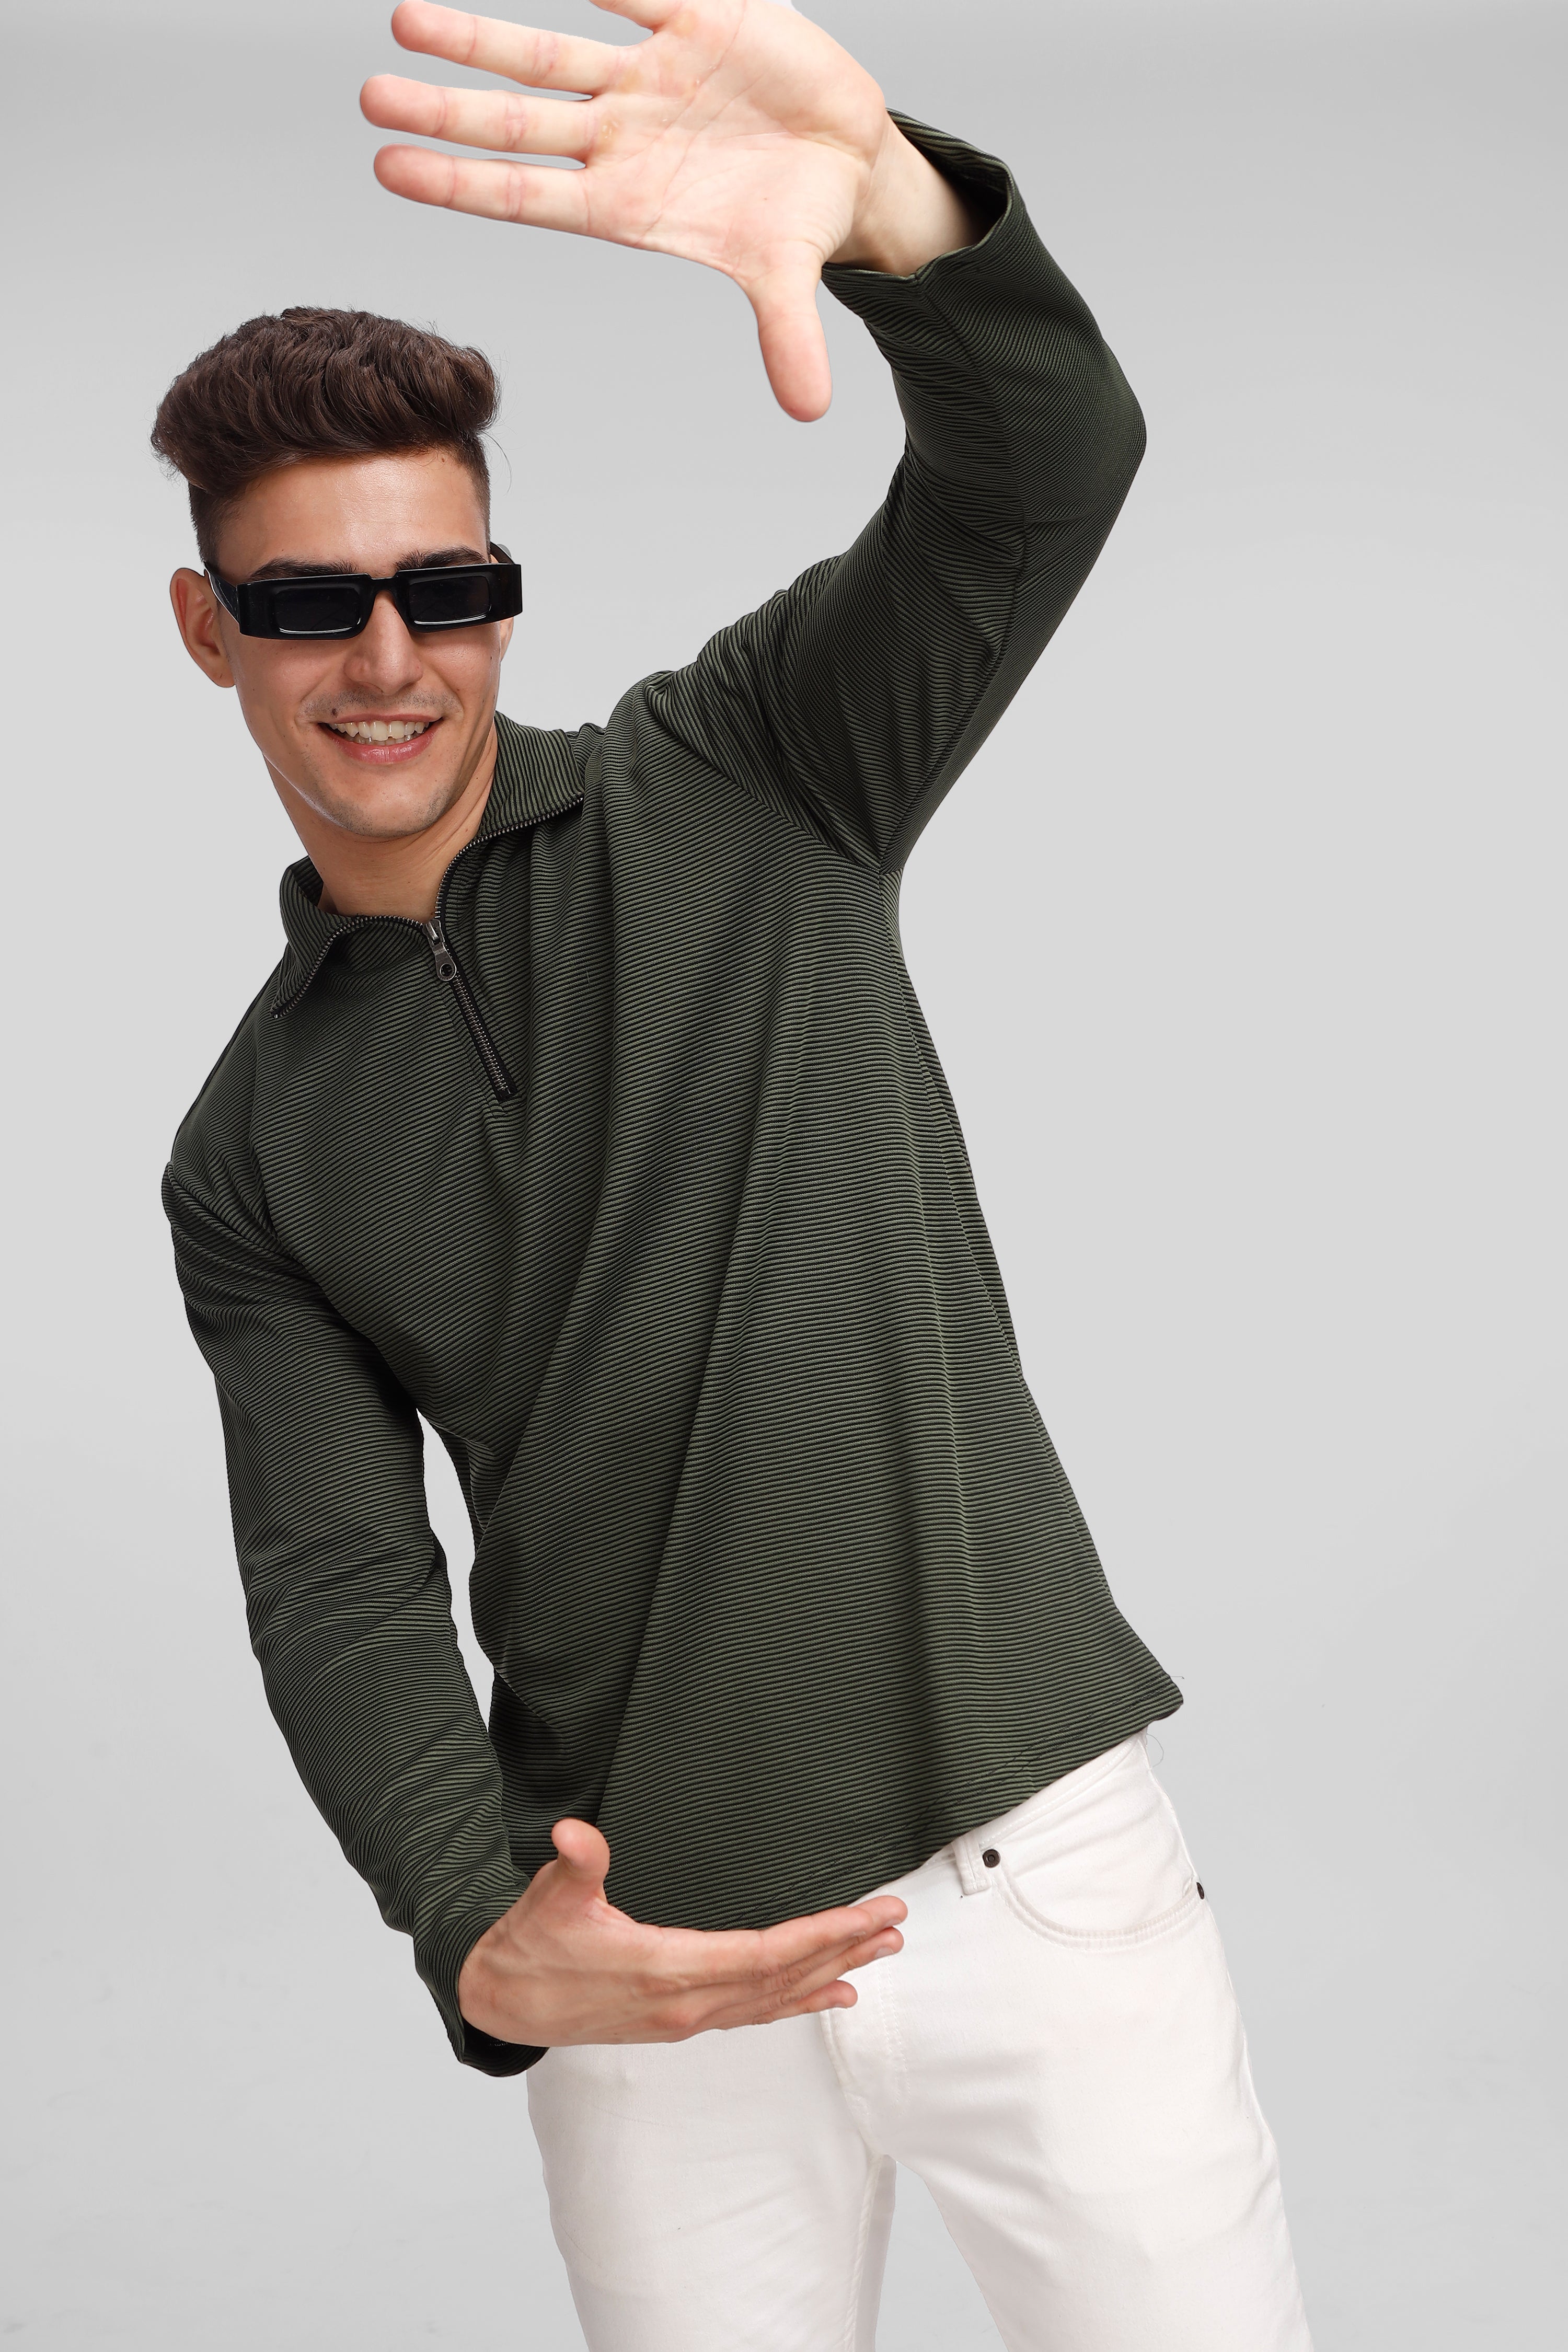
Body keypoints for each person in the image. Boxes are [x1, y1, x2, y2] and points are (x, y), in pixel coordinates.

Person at [154, 3, 1313, 2345]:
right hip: (653, 1963)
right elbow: (344, 1586)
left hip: (1035, 1878)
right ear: (212, 632)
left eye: (443, 589)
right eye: (303, 604)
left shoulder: (751, 772)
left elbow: (1043, 470)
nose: (386, 658)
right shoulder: (249, 1149)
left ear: (501, 597)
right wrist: (475, 1928)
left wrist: (896, 215)